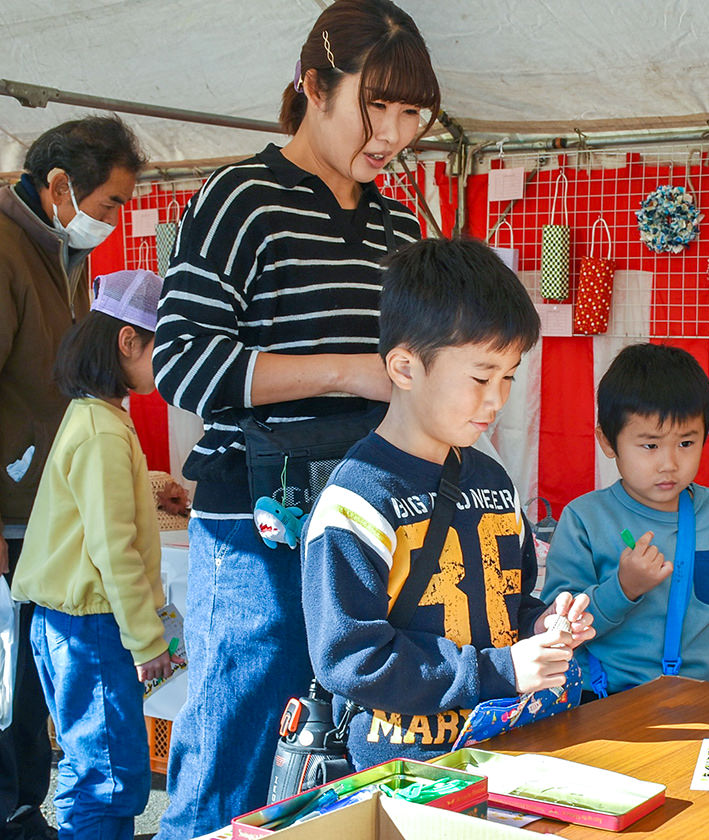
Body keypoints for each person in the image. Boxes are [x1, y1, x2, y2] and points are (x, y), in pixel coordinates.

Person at [151, 2, 440, 834]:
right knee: (233, 742)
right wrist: (353, 371)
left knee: (364, 746)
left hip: (366, 515)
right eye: (374, 106)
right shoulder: (240, 197)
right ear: (315, 87)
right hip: (256, 521)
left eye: (411, 113)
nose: (392, 133)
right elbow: (184, 364)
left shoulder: (396, 220)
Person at [301, 237, 595, 767]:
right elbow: (348, 657)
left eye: (508, 377)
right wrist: (500, 671)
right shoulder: (357, 501)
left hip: (507, 742)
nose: (497, 399)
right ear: (405, 368)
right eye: (481, 377)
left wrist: (544, 624)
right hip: (402, 765)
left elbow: (510, 603)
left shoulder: (494, 480)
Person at [0, 115, 144, 840]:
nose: (114, 220)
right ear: (60, 185)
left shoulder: (62, 251)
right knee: (12, 699)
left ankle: (27, 814)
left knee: (35, 705)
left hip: (43, 513)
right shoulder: (3, 246)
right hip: (13, 516)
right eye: (111, 202)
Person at [12, 270, 184, 840]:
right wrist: (147, 637)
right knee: (108, 781)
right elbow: (115, 551)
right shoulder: (104, 431)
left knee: (96, 774)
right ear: (128, 342)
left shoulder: (94, 417)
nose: (171, 364)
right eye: (167, 347)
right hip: (89, 630)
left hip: (71, 627)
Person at [542, 343, 709, 698]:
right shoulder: (585, 519)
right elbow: (556, 629)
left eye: (685, 442)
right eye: (650, 446)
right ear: (608, 441)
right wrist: (623, 588)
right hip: (606, 705)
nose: (669, 463)